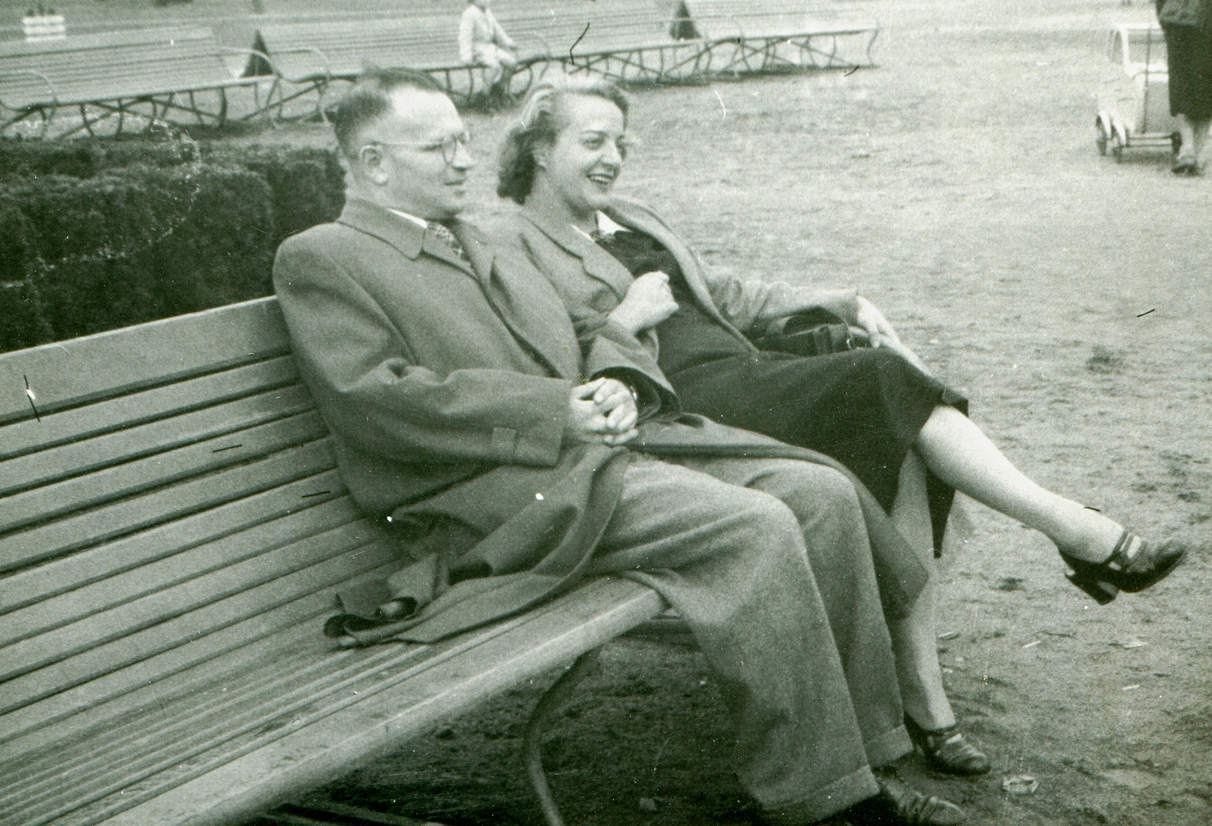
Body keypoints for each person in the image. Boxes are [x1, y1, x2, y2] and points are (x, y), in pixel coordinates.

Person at [274, 67, 969, 826]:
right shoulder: (324, 256)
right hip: (489, 496)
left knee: (820, 495)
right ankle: (824, 803)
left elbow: (587, 329)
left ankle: (869, 756)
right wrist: (552, 413)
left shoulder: (477, 237)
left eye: (463, 143)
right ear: (373, 162)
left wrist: (616, 382)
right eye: (438, 148)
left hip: (583, 460)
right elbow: (374, 399)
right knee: (755, 526)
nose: (464, 161)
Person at [490, 76, 1190, 776]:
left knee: (903, 436)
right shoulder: (510, 243)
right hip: (679, 402)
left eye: (619, 141)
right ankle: (1079, 533)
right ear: (539, 150)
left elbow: (723, 293)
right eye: (592, 142)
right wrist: (623, 321)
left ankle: (925, 699)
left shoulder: (628, 218)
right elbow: (534, 365)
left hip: (744, 370)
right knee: (884, 382)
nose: (611, 156)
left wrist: (843, 300)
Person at [1157, 0, 1212, 173]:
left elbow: (1160, 4)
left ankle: (1187, 151)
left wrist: (1166, 24)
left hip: (1176, 28)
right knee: (1205, 96)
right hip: (1205, 31)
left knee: (1183, 92)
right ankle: (1197, 155)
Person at [458, 0, 518, 107]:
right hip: (477, 50)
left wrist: (508, 42)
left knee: (511, 63)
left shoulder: (487, 12)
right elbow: (465, 36)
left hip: (490, 48)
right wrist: (466, 55)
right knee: (494, 66)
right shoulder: (470, 14)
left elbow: (498, 31)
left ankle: (498, 90)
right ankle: (484, 97)